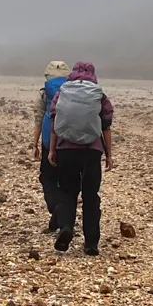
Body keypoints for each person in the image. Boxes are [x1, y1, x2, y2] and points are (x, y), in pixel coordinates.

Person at [46, 61, 115, 255]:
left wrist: (52, 150)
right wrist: (109, 155)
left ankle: (66, 227)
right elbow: (106, 126)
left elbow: (54, 121)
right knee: (91, 196)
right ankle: (91, 243)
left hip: (66, 148)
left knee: (68, 191)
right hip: (92, 150)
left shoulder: (63, 92)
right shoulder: (98, 95)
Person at [32, 60, 70, 233]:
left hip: (49, 140)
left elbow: (38, 121)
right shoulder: (75, 93)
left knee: (47, 177)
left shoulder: (44, 94)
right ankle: (63, 220)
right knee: (67, 182)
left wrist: (35, 144)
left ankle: (56, 211)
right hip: (71, 142)